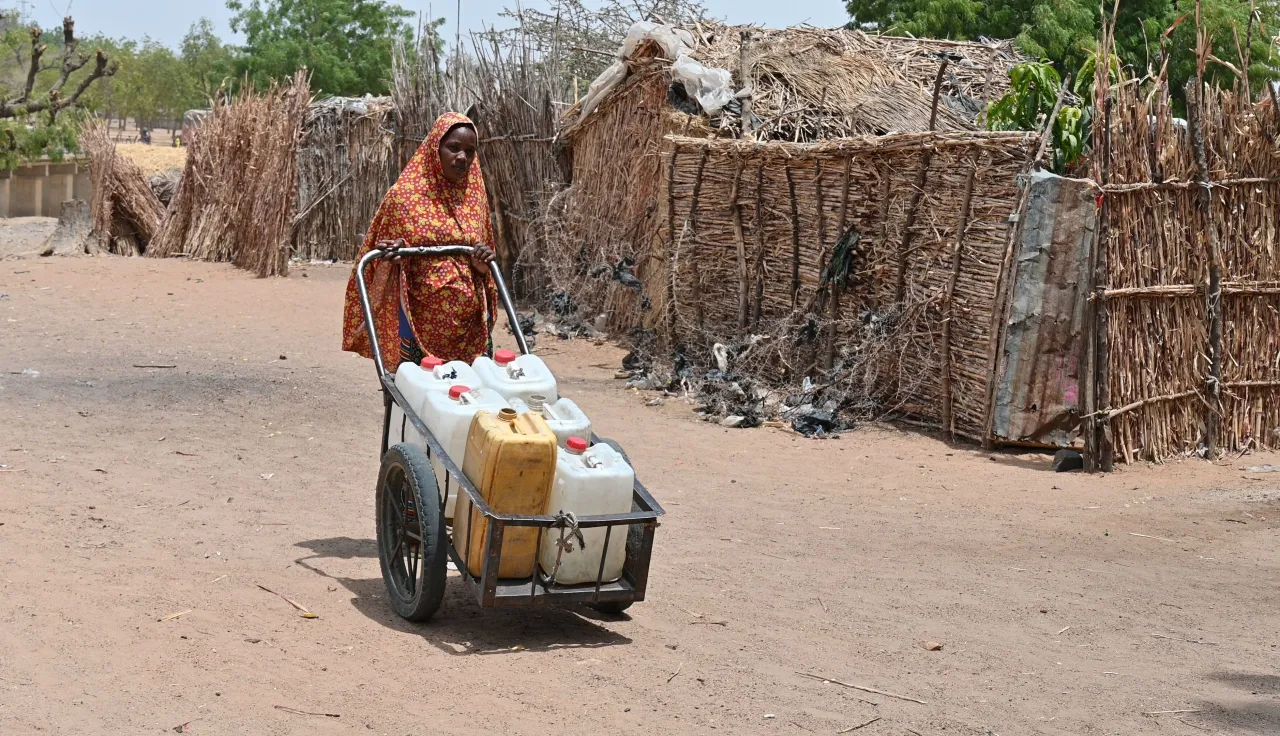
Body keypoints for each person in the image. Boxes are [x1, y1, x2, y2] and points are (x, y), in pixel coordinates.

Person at [341, 112, 498, 371]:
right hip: (415, 322)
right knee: (417, 394)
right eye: (454, 148)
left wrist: (481, 263)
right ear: (435, 148)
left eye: (470, 151)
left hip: (470, 324)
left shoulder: (474, 198)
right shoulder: (404, 197)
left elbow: (482, 259)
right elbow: (377, 255)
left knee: (473, 394)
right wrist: (394, 256)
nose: (462, 158)